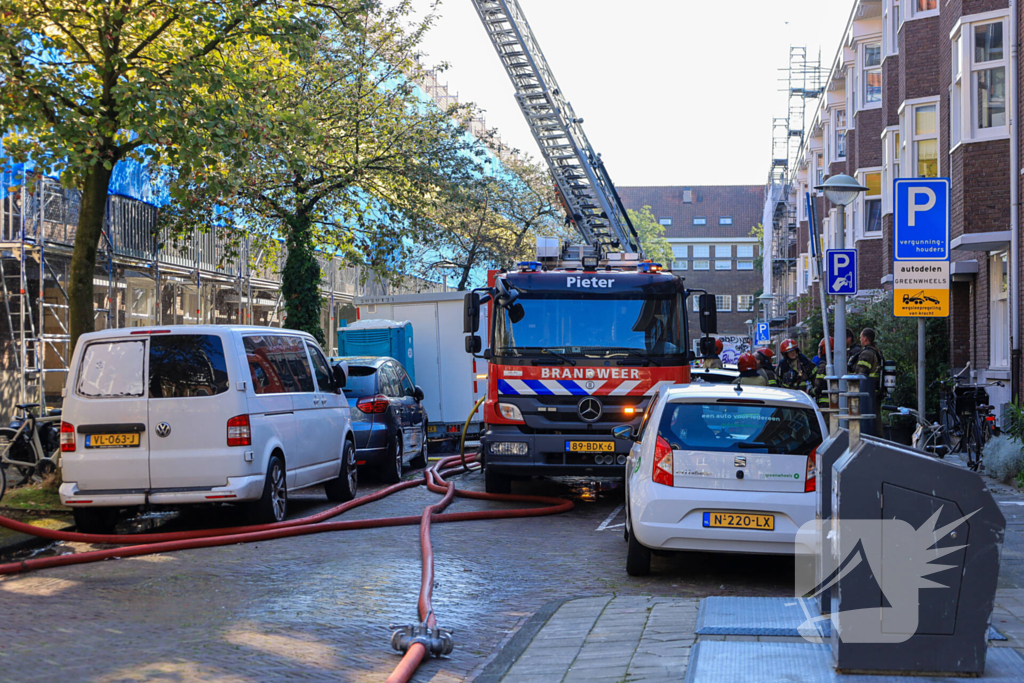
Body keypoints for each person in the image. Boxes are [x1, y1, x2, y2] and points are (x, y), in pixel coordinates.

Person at [812, 338, 833, 409]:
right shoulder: (839, 363)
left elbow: (818, 385)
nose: (819, 351)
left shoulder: (823, 366)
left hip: (824, 404)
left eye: (820, 349)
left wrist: (811, 392)